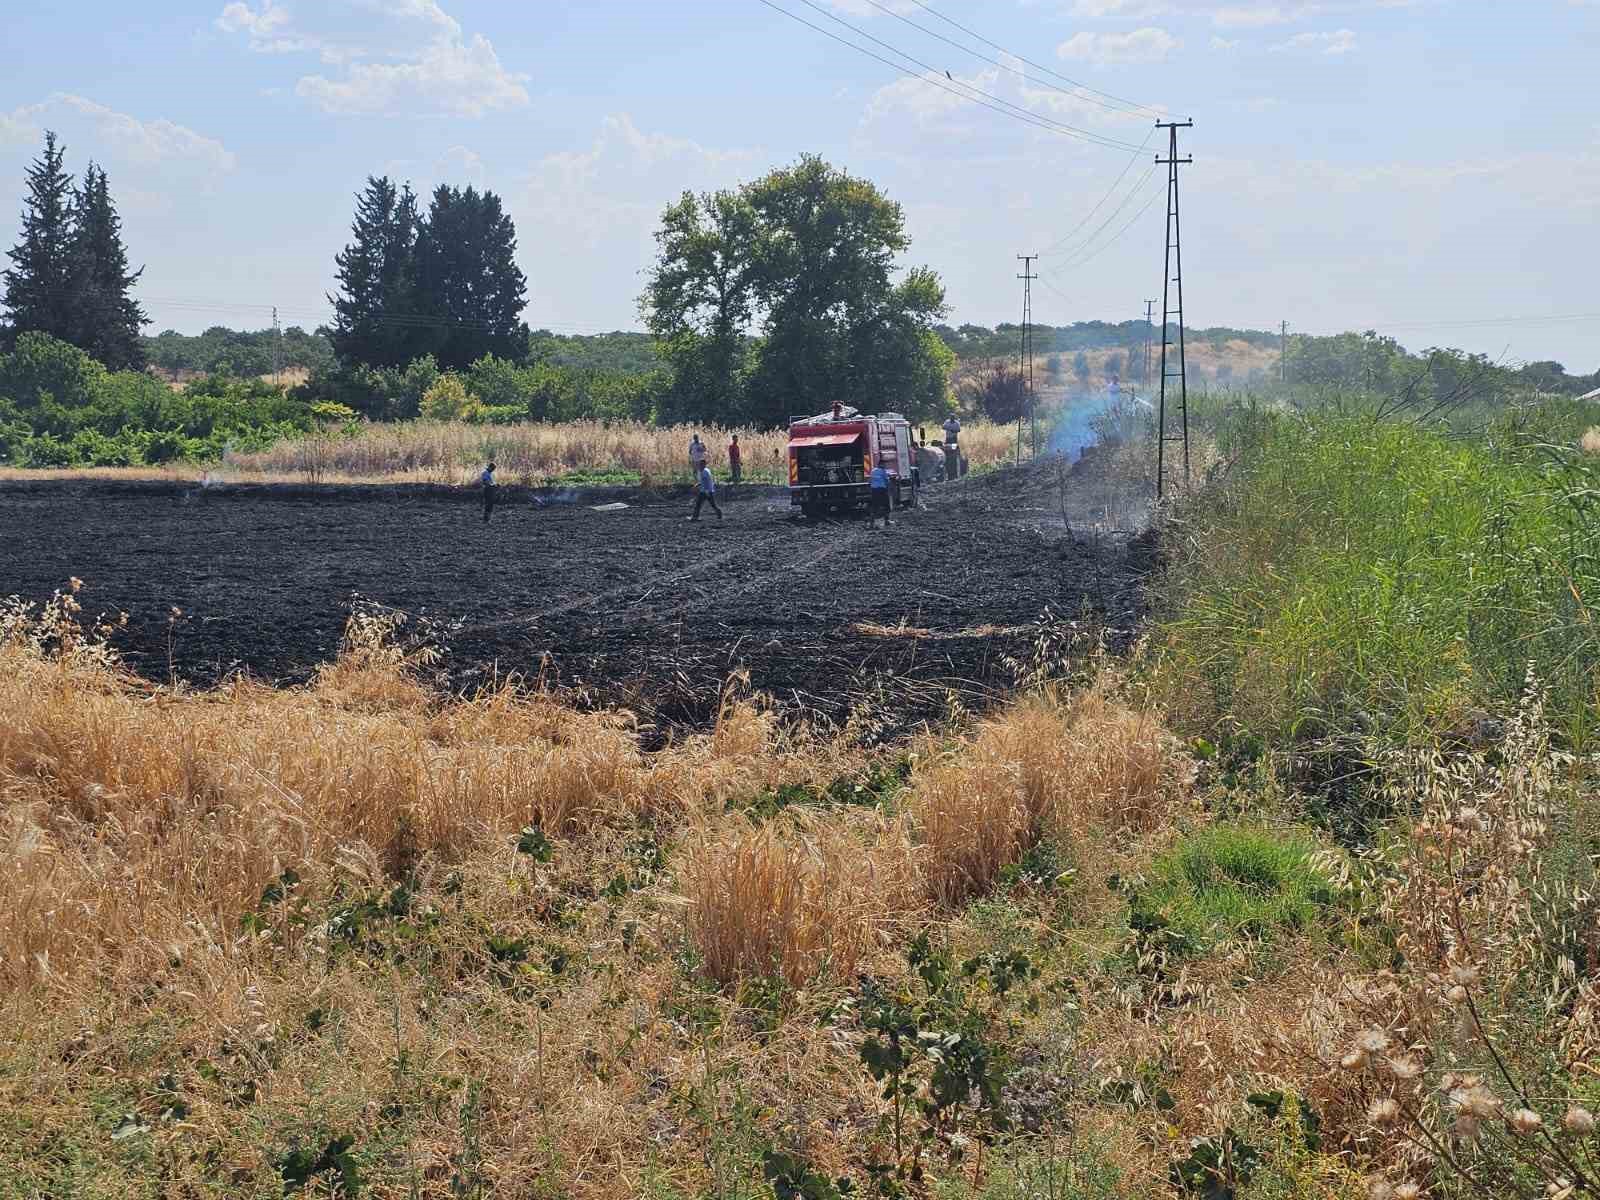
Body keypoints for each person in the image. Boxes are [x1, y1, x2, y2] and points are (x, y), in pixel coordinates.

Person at [868, 459, 891, 528]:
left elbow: (870, 481)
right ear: (881, 464)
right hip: (881, 490)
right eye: (884, 464)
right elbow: (887, 481)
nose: (885, 466)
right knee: (886, 505)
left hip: (874, 490)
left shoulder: (872, 471)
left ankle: (871, 523)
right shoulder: (883, 471)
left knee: (874, 506)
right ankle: (887, 520)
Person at [942, 414, 962, 478]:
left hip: (954, 439)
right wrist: (948, 428)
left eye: (953, 417)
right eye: (951, 417)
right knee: (947, 448)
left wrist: (953, 430)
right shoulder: (947, 421)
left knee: (953, 449)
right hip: (948, 438)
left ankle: (953, 455)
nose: (952, 418)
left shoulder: (957, 423)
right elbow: (943, 427)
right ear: (950, 418)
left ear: (954, 418)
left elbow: (959, 430)